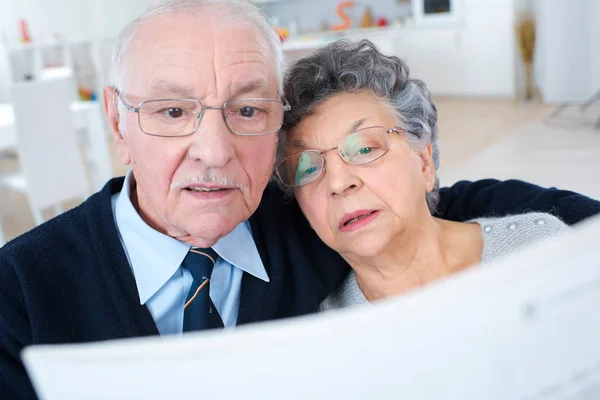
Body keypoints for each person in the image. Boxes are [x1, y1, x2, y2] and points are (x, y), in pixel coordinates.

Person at [0, 1, 598, 399]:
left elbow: (440, 206)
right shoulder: (18, 292)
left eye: (249, 110)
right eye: (173, 111)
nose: (213, 151)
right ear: (117, 121)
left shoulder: (307, 218)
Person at [275, 39, 583, 309]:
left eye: (365, 149)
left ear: (424, 163)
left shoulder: (540, 248)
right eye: (308, 168)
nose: (339, 183)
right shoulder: (323, 336)